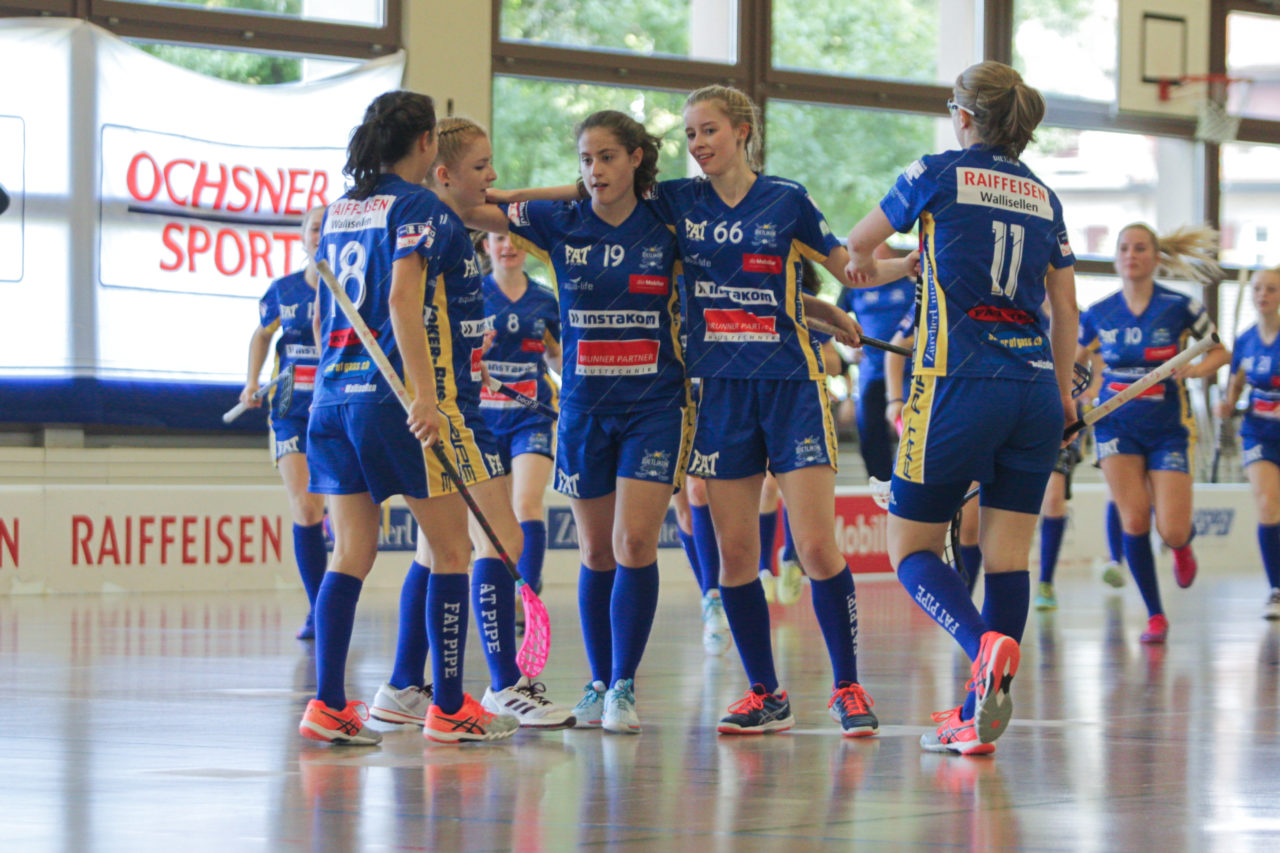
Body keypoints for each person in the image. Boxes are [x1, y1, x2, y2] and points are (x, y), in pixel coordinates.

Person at [647, 85, 914, 737]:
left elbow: (850, 271)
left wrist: (912, 263)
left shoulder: (787, 199)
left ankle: (847, 686)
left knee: (817, 547)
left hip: (792, 387)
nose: (697, 143)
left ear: (743, 131)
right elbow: (602, 198)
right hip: (719, 392)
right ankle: (765, 693)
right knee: (736, 558)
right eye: (689, 133)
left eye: (709, 129)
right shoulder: (677, 202)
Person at [848, 61, 1078, 756]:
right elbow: (1065, 307)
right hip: (1034, 390)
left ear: (966, 116)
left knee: (910, 548)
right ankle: (977, 718)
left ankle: (982, 648)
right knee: (1007, 558)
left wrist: (894, 263)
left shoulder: (936, 172)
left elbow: (857, 245)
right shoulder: (1044, 196)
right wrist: (1063, 393)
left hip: (956, 384)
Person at [298, 91, 517, 746]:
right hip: (392, 399)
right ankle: (448, 706)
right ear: (425, 143)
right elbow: (400, 299)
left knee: (351, 553)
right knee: (451, 550)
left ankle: (328, 703)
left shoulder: (340, 210)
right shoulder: (419, 207)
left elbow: (324, 314)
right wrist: (424, 395)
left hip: (331, 398)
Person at [463, 110, 690, 734]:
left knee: (633, 544)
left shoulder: (667, 219)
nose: (595, 171)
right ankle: (597, 681)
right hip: (585, 409)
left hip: (654, 406)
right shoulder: (559, 221)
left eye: (608, 157)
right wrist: (521, 191)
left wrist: (819, 314)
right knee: (594, 550)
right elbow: (472, 208)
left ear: (637, 158)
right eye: (585, 160)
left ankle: (623, 686)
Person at [368, 117, 574, 733]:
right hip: (447, 407)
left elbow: (522, 205)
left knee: (434, 549)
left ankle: (403, 685)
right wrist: (430, 394)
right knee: (501, 538)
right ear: (443, 172)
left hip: (451, 402)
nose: (493, 177)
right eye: (481, 167)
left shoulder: (443, 218)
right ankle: (504, 685)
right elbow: (401, 304)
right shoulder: (432, 222)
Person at [1077, 223, 1229, 643]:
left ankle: (1182, 546)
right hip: (1115, 426)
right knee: (1134, 517)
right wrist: (1080, 393)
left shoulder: (1181, 306)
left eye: (1140, 248)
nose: (1131, 255)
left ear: (1156, 257)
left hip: (1168, 427)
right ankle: (1155, 615)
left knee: (1173, 529)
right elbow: (1073, 359)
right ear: (1116, 258)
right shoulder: (1099, 311)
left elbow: (1220, 351)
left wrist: (1195, 369)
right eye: (1124, 248)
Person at [238, 205, 327, 640]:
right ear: (303, 236)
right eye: (315, 228)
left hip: (335, 409)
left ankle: (334, 601)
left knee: (340, 512)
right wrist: (251, 381)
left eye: (329, 228)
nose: (321, 235)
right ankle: (318, 608)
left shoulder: (354, 289)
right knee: (306, 507)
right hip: (290, 409)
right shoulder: (284, 290)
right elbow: (262, 335)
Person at [476, 230, 562, 597]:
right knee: (494, 518)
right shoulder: (473, 294)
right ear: (486, 246)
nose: (508, 246)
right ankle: (499, 588)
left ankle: (526, 594)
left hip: (531, 415)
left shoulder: (545, 300)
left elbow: (556, 355)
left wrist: (576, 387)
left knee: (526, 502)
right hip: (482, 419)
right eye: (499, 239)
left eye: (514, 240)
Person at [1216, 267, 1280, 618]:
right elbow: (1236, 382)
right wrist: (1226, 403)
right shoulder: (1245, 340)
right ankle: (1276, 589)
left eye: (1271, 289)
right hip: (1259, 433)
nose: (1262, 295)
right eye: (1257, 289)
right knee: (1268, 503)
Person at [837, 243, 914, 483]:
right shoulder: (853, 283)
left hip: (909, 369)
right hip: (870, 369)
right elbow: (832, 319)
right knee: (869, 430)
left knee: (912, 428)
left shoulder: (910, 281)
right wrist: (846, 349)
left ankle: (910, 483)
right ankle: (881, 484)